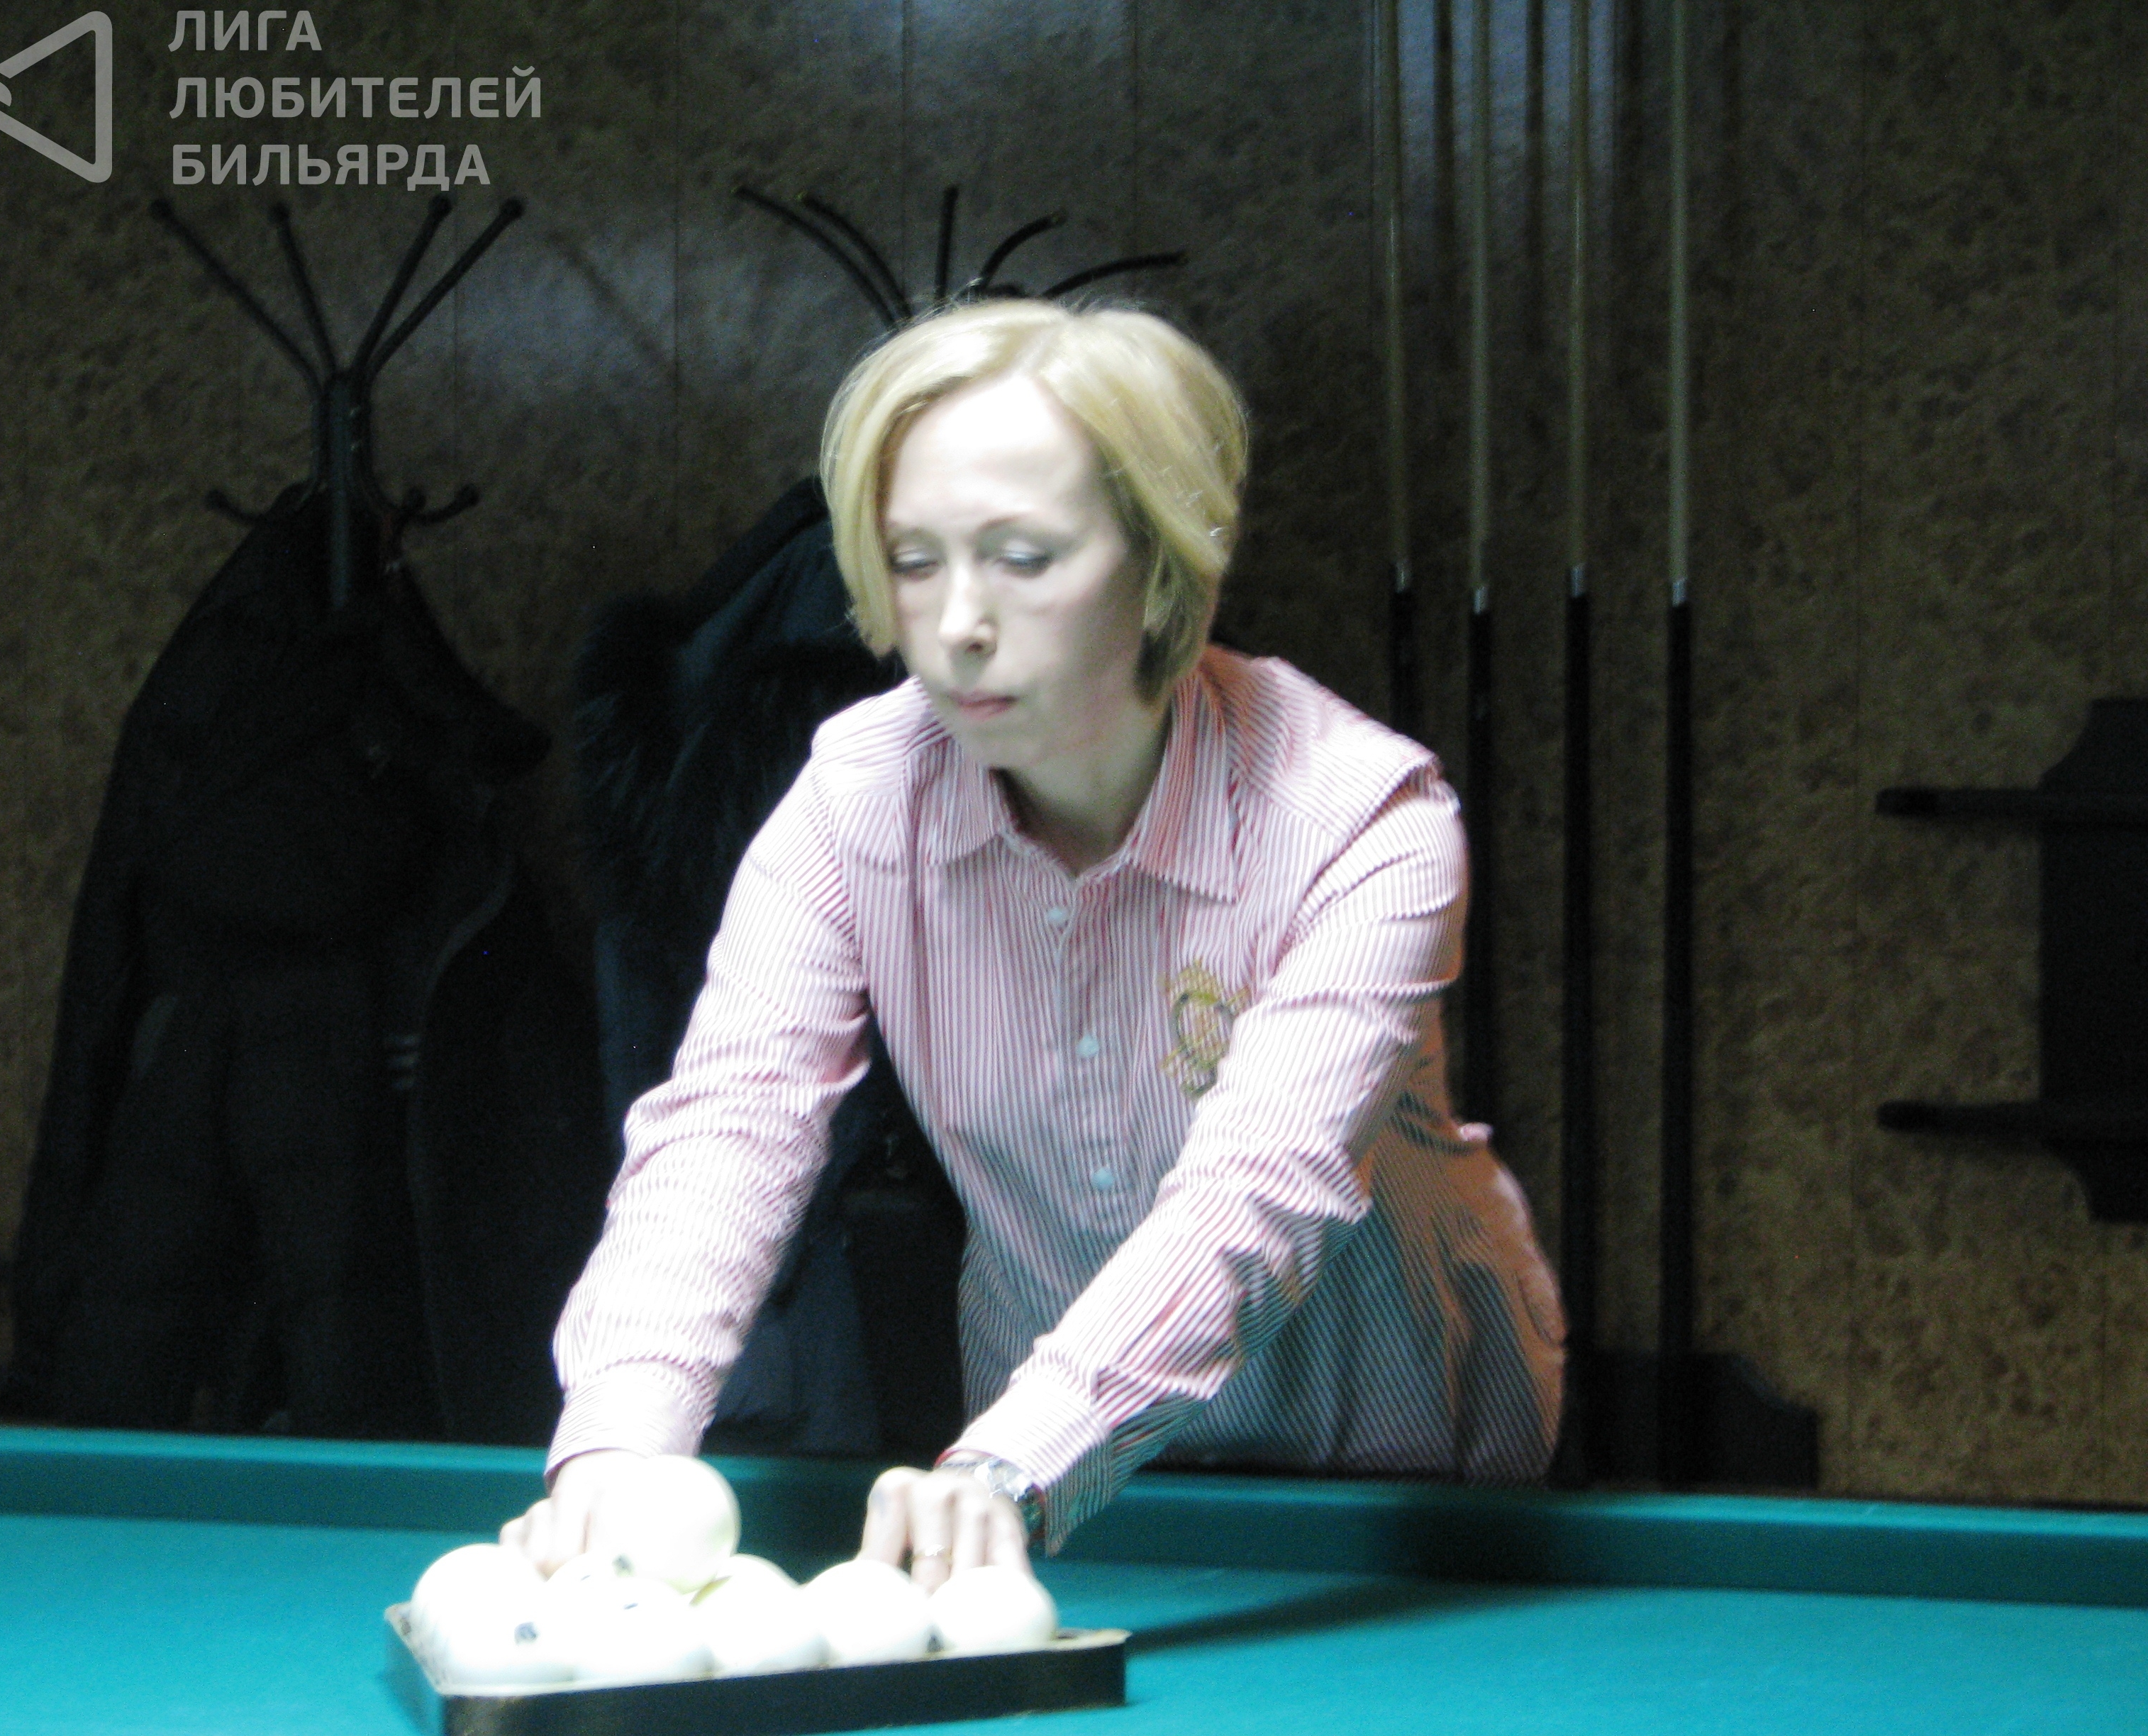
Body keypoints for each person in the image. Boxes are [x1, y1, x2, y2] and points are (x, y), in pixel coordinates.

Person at [505, 299, 1564, 1586]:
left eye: (1022, 557)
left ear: (1160, 560)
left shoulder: (1360, 818)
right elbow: (734, 1122)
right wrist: (620, 1443)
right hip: (1044, 1484)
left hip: (1393, 1483)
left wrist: (1012, 1463)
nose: (957, 623)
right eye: (915, 561)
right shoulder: (856, 796)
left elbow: (1259, 1190)